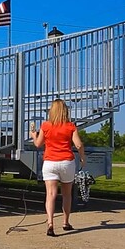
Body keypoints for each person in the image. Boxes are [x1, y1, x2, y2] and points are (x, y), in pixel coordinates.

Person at [30, 99, 85, 237]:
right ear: (65, 110)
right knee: (67, 194)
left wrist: (33, 135)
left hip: (50, 162)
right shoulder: (70, 126)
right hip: (67, 162)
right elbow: (78, 145)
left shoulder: (46, 125)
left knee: (50, 195)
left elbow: (38, 144)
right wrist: (83, 158)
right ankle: (66, 222)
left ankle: (50, 224)